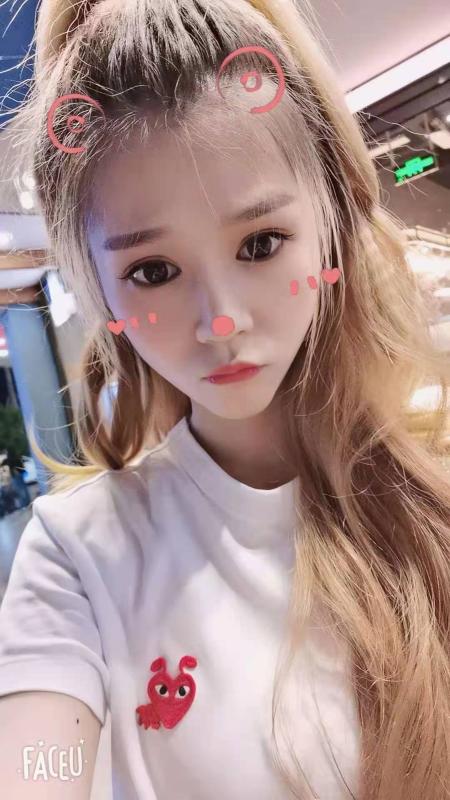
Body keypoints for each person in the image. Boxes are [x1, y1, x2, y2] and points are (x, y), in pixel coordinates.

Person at [0, 1, 449, 799]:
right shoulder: (81, 554)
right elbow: (38, 765)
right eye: (153, 272)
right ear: (100, 292)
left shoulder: (434, 490)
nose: (221, 321)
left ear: (331, 220)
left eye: (259, 244)